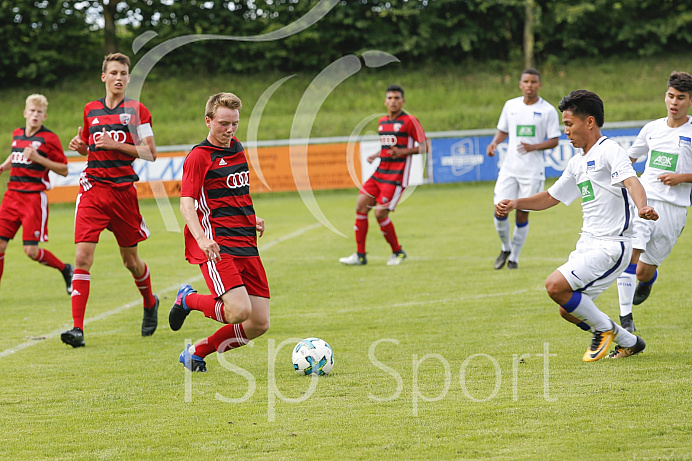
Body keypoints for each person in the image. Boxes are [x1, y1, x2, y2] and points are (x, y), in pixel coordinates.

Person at [496, 90, 659, 361]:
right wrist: (515, 202)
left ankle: (604, 329)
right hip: (587, 243)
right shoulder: (577, 161)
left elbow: (632, 181)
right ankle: (630, 341)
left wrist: (642, 207)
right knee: (568, 309)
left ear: (589, 122)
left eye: (569, 125)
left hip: (611, 245)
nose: (566, 132)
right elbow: (551, 197)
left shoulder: (609, 150)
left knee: (554, 286)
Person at [61, 53, 159, 348]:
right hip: (93, 190)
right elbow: (88, 147)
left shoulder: (138, 110)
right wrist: (80, 146)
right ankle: (77, 329)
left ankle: (149, 301)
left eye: (123, 74)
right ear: (103, 77)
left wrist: (116, 143)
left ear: (128, 79)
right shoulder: (90, 110)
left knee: (130, 261)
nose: (119, 78)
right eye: (113, 72)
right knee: (82, 258)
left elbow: (151, 152)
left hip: (123, 194)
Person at [169, 92, 270, 372]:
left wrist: (250, 217)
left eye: (234, 123)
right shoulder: (199, 157)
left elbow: (233, 192)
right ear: (208, 121)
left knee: (259, 323)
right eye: (223, 123)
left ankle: (196, 352)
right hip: (218, 245)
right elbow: (186, 202)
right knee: (239, 311)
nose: (229, 130)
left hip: (245, 241)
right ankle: (187, 299)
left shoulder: (236, 147)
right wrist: (201, 237)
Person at [616, 71, 692, 333]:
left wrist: (682, 177)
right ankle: (625, 318)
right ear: (665, 96)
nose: (674, 102)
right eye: (671, 96)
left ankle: (648, 282)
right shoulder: (652, 129)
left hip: (674, 210)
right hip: (645, 201)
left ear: (689, 101)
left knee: (643, 272)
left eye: (681, 98)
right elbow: (630, 159)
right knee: (631, 254)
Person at [339, 84, 427, 266]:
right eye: (390, 98)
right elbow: (388, 148)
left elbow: (425, 146)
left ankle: (398, 252)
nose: (393, 101)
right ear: (385, 101)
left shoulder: (410, 121)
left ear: (403, 101)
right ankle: (360, 255)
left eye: (397, 98)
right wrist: (377, 154)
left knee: (380, 212)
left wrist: (402, 152)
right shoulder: (382, 122)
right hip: (379, 173)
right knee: (361, 206)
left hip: (396, 177)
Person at [487, 69, 561, 270]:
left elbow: (554, 139)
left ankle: (514, 259)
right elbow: (503, 131)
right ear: (520, 84)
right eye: (526, 81)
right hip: (509, 168)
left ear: (539, 85)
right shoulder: (510, 105)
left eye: (534, 82)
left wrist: (533, 147)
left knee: (522, 213)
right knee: (500, 209)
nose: (530, 85)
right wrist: (494, 143)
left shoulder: (548, 111)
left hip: (532, 171)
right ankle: (505, 248)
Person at [0, 94, 73, 294]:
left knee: (31, 251)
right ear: (25, 113)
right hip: (11, 196)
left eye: (39, 112)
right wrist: (4, 166)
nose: (35, 115)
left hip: (32, 198)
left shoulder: (49, 138)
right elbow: (16, 153)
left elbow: (64, 169)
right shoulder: (17, 133)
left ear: (44, 117)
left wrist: (39, 159)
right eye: (32, 111)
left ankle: (65, 269)